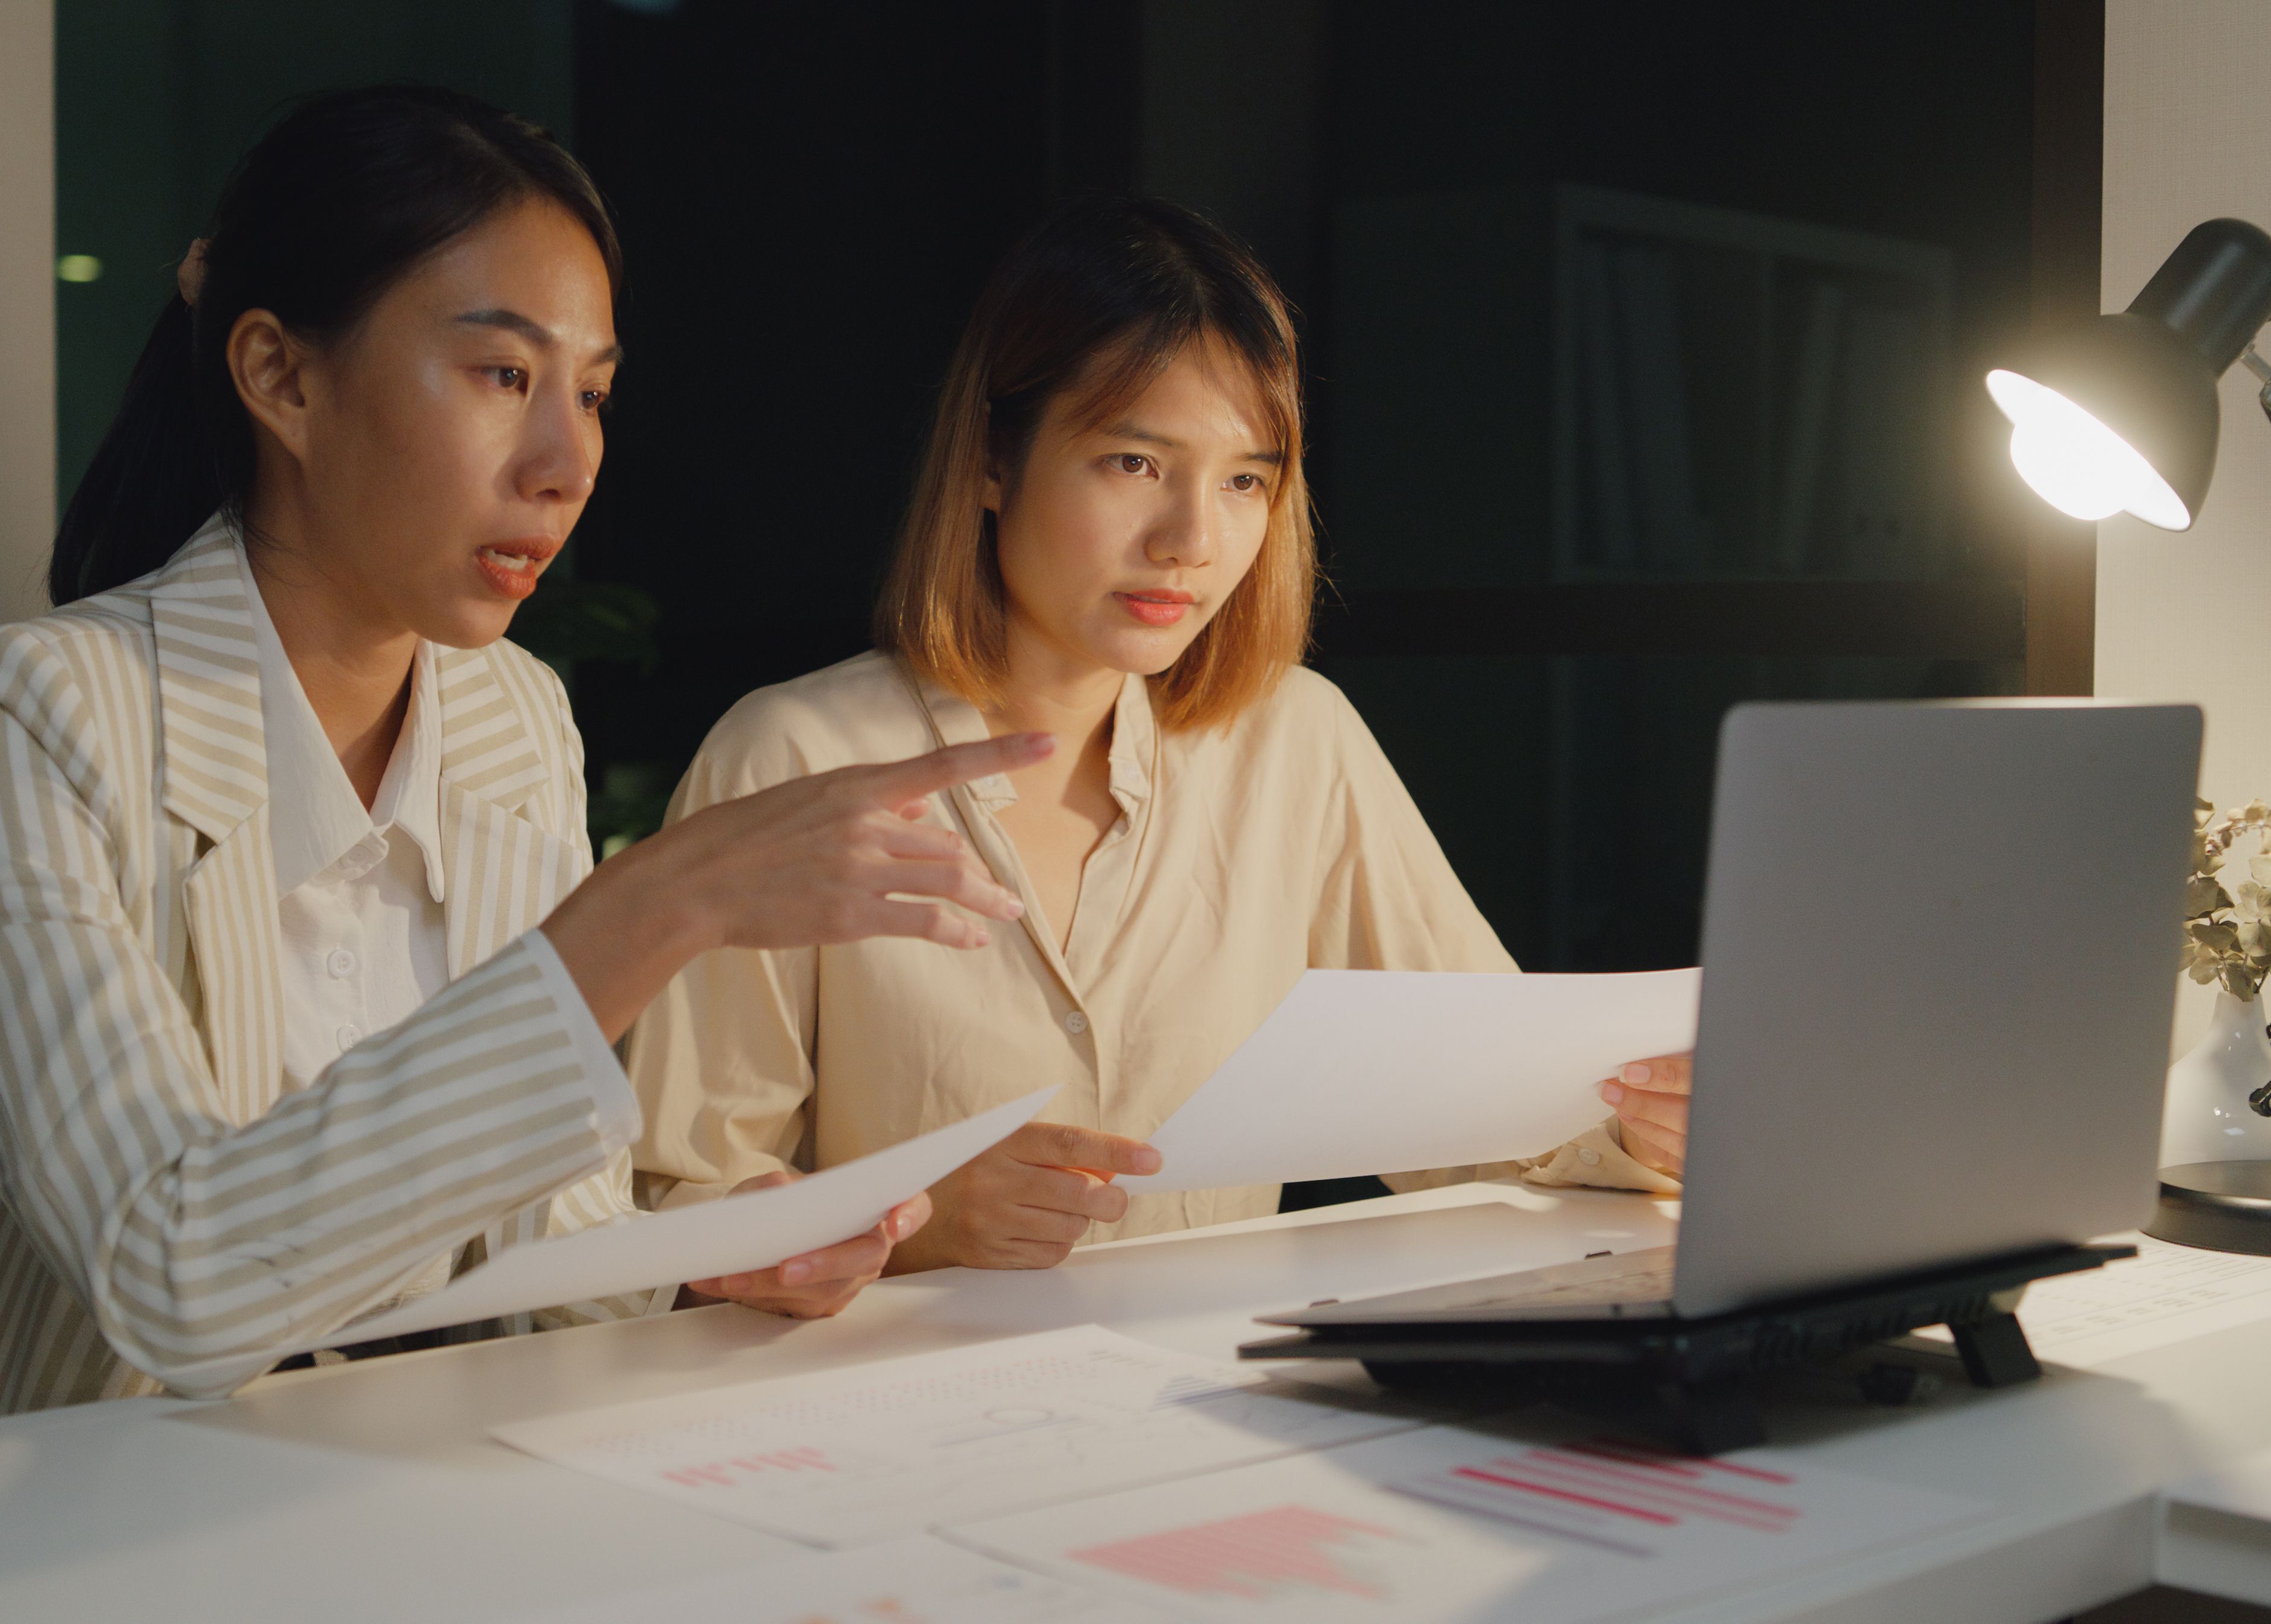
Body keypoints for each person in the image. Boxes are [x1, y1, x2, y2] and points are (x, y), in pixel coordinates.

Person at [0, 87, 1043, 1436]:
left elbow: (540, 1249)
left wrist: (691, 1270)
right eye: (503, 376)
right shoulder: (15, 719)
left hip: (388, 1499)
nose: (568, 461)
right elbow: (175, 1283)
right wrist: (653, 909)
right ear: (281, 377)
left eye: (590, 393)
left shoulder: (513, 715)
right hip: (33, 1523)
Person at [627, 198, 1693, 1273]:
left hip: (1221, 1400)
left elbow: (1499, 1117)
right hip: (882, 1419)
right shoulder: (793, 756)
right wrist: (923, 1224)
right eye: (1134, 464)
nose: (1191, 540)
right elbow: (675, 1214)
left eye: (1244, 481)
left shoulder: (1296, 742)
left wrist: (1641, 1124)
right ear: (996, 457)